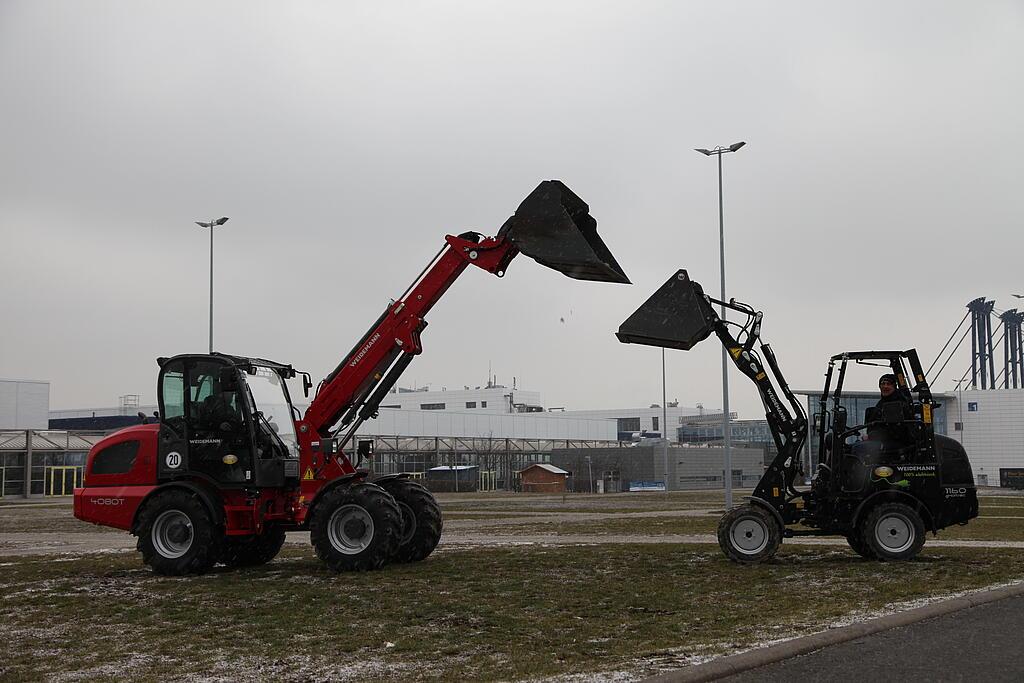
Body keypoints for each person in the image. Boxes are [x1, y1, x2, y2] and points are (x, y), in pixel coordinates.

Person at [866, 373, 913, 451]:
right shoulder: (881, 404)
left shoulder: (896, 404)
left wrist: (872, 436)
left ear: (894, 386)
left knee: (861, 449)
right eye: (883, 384)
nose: (885, 386)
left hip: (895, 443)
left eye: (888, 384)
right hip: (882, 440)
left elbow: (894, 431)